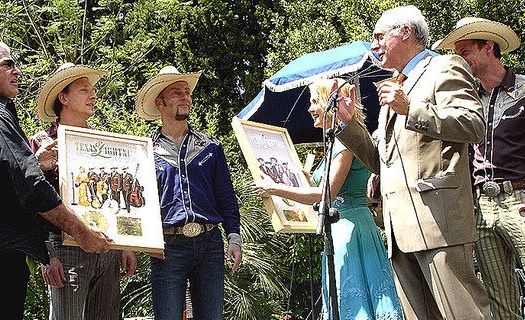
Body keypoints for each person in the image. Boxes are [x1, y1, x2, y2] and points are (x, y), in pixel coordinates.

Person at [333, 6, 492, 319]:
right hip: (398, 230)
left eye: (379, 36)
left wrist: (411, 108)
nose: (374, 45)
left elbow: (474, 125)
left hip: (439, 224)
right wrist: (348, 123)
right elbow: (382, 161)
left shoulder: (445, 66)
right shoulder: (394, 83)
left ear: (404, 32)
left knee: (465, 314)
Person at [0, 42, 110, 319]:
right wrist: (83, 233)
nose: (17, 70)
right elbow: (32, 188)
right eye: (7, 64)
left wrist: (36, 164)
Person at [253, 78, 403, 320]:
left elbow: (328, 194)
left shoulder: (345, 142)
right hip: (341, 229)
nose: (310, 109)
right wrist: (306, 180)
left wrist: (275, 188)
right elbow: (327, 194)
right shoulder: (335, 141)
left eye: (315, 102)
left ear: (329, 103)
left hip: (352, 230)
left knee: (358, 306)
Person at [433, 17, 525, 320]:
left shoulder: (523, 89)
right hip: (481, 208)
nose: (459, 59)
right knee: (500, 302)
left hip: (520, 200)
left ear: (488, 47)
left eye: (465, 51)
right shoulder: (463, 98)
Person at [29, 62, 137, 320]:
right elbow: (31, 201)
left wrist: (127, 245)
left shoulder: (105, 143)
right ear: (63, 97)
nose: (93, 95)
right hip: (63, 248)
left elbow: (114, 198)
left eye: (92, 89)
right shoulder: (41, 143)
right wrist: (47, 254)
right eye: (83, 90)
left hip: (106, 245)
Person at [135, 65, 242, 319]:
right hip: (167, 246)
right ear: (160, 103)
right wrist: (143, 241)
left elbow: (226, 196)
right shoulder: (144, 151)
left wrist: (234, 238)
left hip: (210, 244)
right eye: (176, 93)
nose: (185, 97)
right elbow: (137, 202)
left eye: (186, 92)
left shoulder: (211, 147)